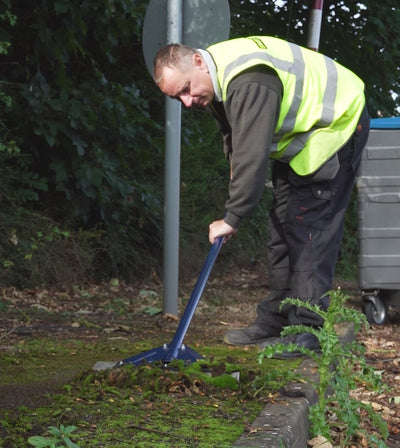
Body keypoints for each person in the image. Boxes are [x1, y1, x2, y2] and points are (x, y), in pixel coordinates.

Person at [153, 36, 369, 355]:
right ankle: (278, 319)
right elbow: (235, 140)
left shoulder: (249, 80)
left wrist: (233, 216)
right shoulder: (216, 80)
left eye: (185, 89)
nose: (187, 102)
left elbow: (252, 157)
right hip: (301, 140)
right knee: (281, 227)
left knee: (309, 230)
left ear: (197, 62)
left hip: (336, 126)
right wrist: (234, 188)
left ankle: (309, 331)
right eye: (178, 98)